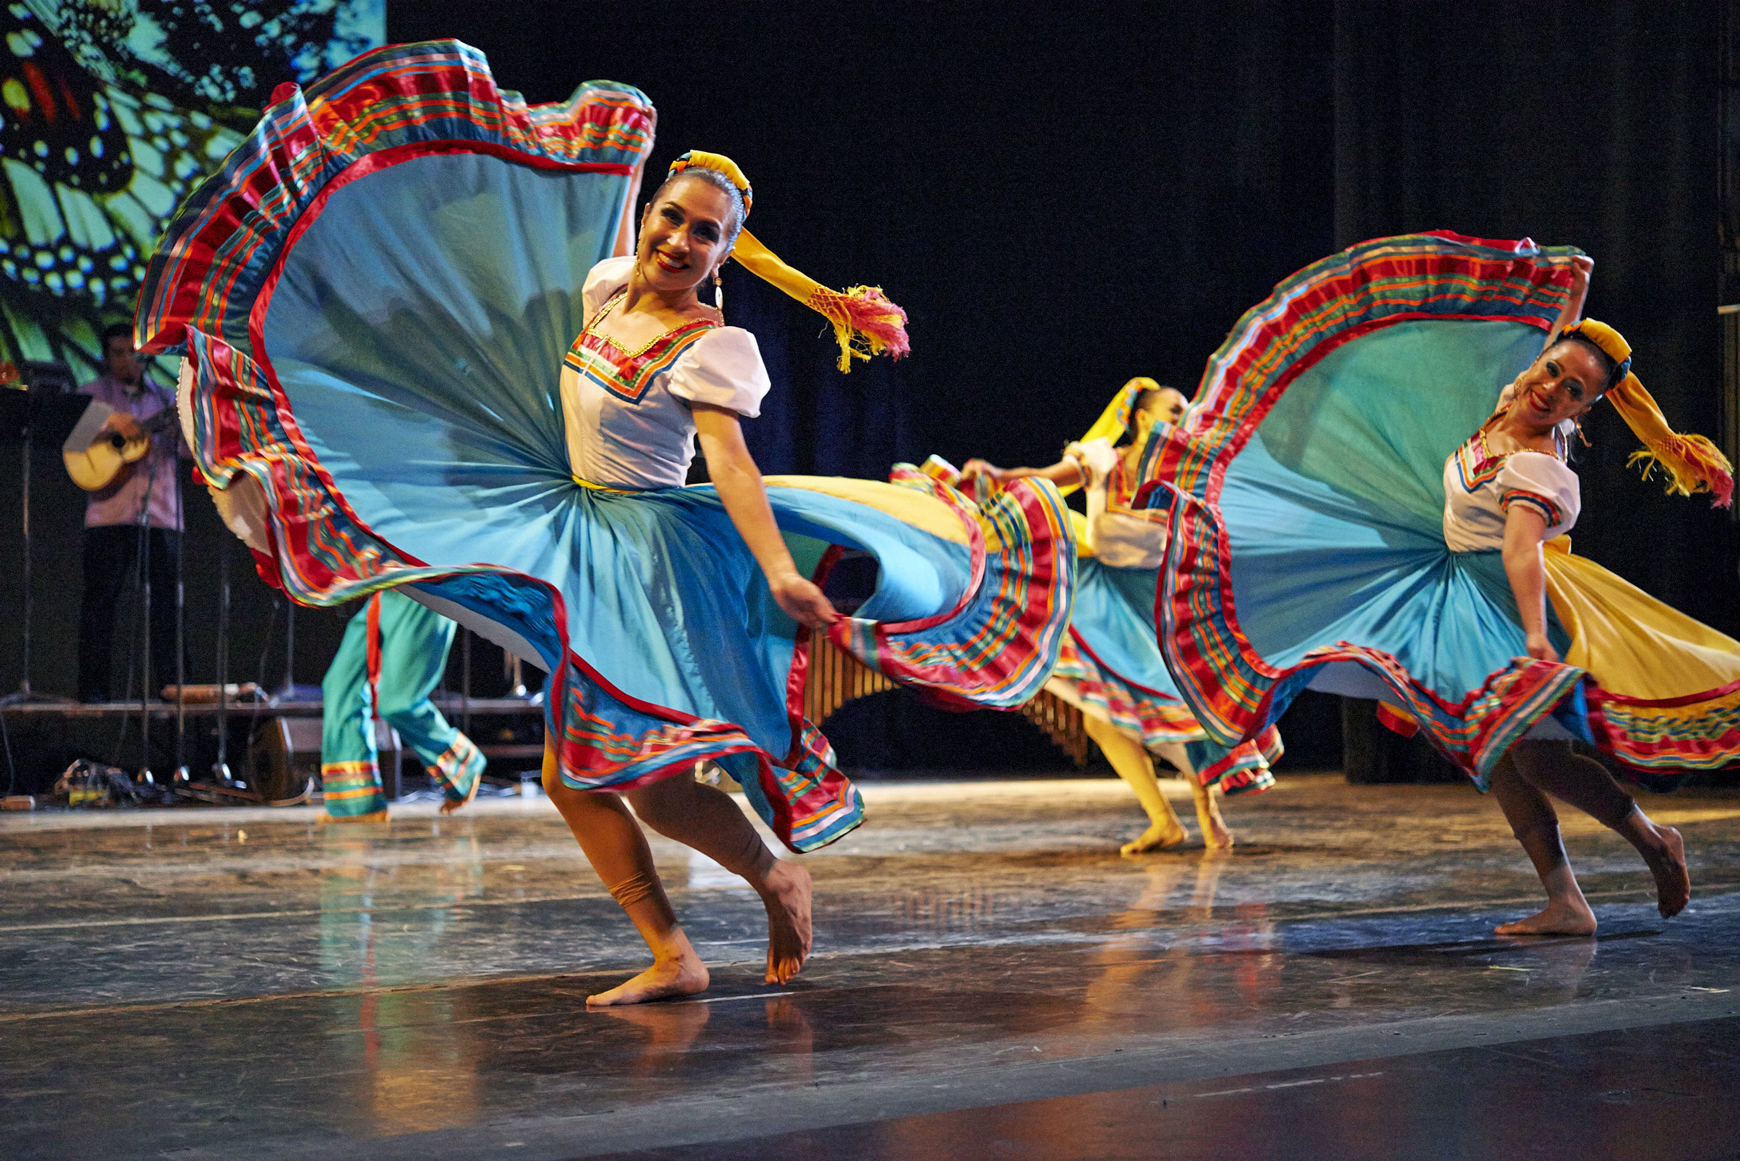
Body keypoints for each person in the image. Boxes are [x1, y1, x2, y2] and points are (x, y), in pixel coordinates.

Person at [139, 43, 1072, 1006]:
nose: (680, 240)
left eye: (706, 235)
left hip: (642, 561)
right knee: (590, 775)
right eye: (673, 217)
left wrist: (776, 568)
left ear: (724, 253)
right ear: (654, 213)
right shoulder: (603, 289)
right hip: (568, 524)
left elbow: (733, 465)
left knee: (611, 775)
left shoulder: (715, 344)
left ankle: (754, 890)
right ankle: (690, 938)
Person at [1143, 231, 1735, 935]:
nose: (1551, 389)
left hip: (1505, 607)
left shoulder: (1538, 463)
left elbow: (1521, 553)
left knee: (1538, 759)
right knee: (1498, 761)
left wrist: (1538, 638)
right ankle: (1567, 899)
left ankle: (1650, 841)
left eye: (1572, 390)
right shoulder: (1502, 411)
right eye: (1552, 371)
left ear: (1584, 409)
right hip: (1457, 593)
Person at [955, 379, 1278, 854]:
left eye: (1186, 410)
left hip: (1159, 600)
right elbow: (1043, 477)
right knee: (1108, 720)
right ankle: (1170, 821)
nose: (1183, 417)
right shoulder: (1104, 457)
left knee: (1185, 706)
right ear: (1143, 418)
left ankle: (1203, 818)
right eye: (1173, 409)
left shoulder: (1187, 468)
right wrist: (996, 475)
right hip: (1104, 598)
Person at [76, 322, 185, 703]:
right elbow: (78, 456)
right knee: (100, 605)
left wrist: (185, 425)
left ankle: (173, 690)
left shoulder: (164, 400)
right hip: (110, 515)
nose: (127, 361)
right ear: (107, 358)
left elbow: (188, 455)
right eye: (118, 353)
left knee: (167, 608)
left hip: (160, 514)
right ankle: (94, 693)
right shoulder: (93, 397)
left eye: (133, 353)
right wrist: (120, 441)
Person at [319, 590, 487, 821]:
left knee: (398, 702)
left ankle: (461, 763)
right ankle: (357, 804)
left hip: (421, 589)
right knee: (340, 687)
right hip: (384, 590)